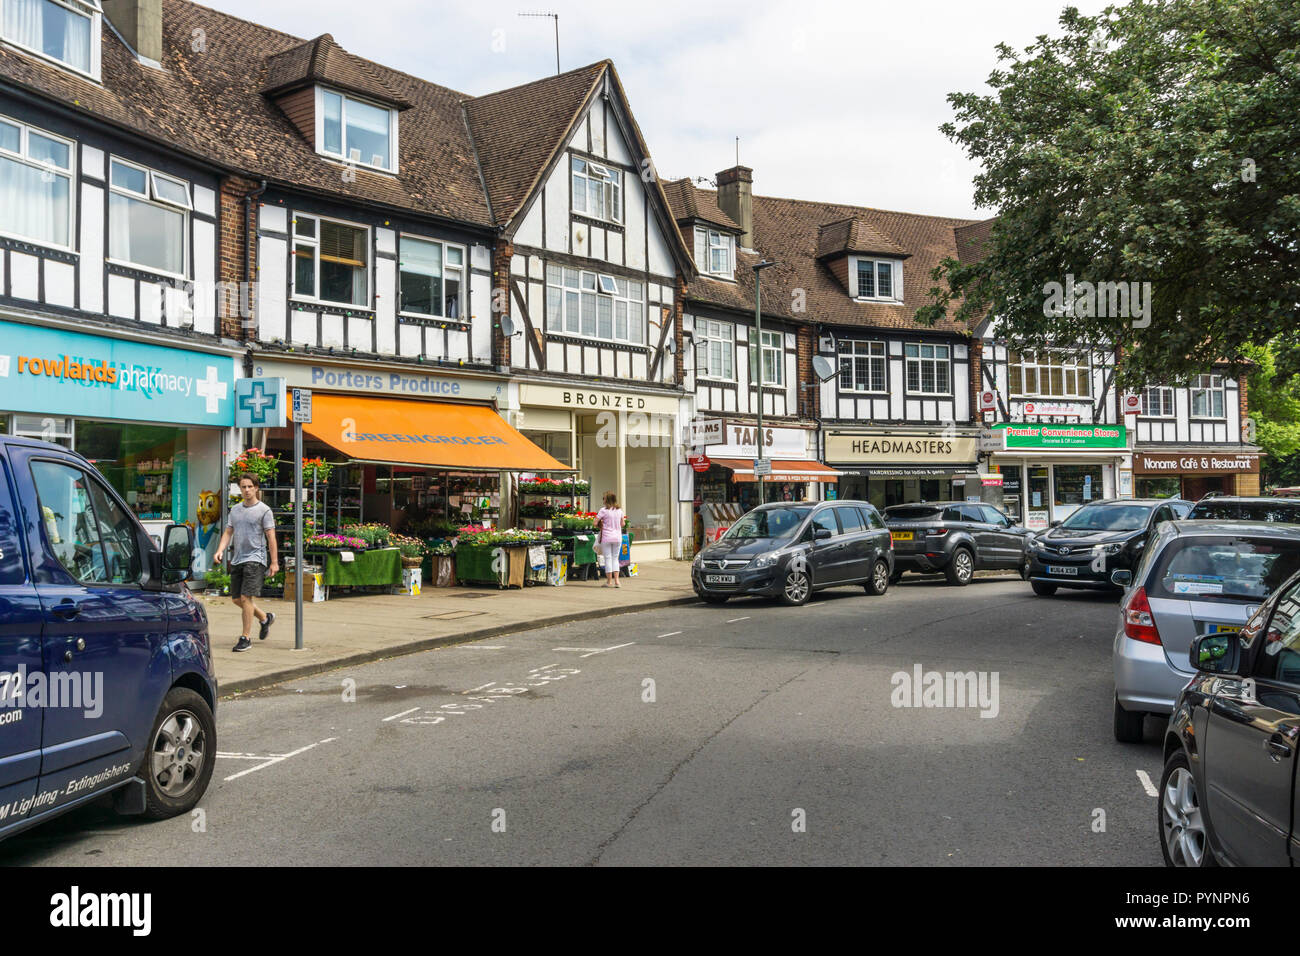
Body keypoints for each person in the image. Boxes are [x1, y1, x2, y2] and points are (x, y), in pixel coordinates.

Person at [214, 473, 279, 652]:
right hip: (238, 558)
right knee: (236, 599)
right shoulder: (235, 510)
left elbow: (271, 537)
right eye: (244, 486)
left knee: (246, 597)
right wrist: (220, 550)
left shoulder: (264, 510)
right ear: (240, 489)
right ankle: (265, 618)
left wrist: (274, 562)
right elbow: (228, 532)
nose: (247, 490)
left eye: (250, 486)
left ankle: (245, 638)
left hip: (256, 559)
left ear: (256, 488)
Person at [595, 491, 625, 589]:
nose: (603, 500)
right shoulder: (619, 510)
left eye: (603, 498)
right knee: (615, 558)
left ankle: (609, 582)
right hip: (617, 537)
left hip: (607, 537)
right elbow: (623, 524)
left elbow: (595, 523)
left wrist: (602, 525)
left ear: (607, 500)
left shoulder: (603, 510)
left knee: (608, 559)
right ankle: (617, 582)